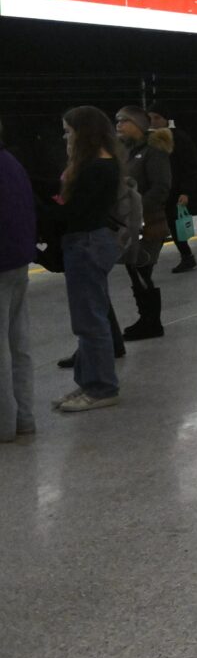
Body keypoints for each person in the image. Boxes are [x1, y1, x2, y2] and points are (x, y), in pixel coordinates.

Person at [41, 107, 125, 413]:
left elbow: (73, 212)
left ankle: (102, 388)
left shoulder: (96, 168)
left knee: (90, 321)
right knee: (88, 318)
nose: (66, 138)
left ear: (83, 133)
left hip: (86, 244)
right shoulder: (102, 163)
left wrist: (36, 208)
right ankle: (89, 382)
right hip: (90, 242)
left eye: (69, 131)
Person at [115, 107, 172, 342]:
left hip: (149, 223)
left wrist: (136, 209)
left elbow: (161, 187)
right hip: (132, 224)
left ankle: (152, 322)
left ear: (138, 124)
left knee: (141, 270)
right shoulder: (128, 151)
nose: (118, 125)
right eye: (117, 121)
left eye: (124, 121)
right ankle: (146, 319)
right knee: (135, 270)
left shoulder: (153, 152)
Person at [1, 117, 36, 440]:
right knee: (18, 342)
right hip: (17, 261)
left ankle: (3, 424)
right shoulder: (12, 163)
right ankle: (24, 417)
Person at [146, 106, 197, 274]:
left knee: (172, 226)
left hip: (173, 191)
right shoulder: (149, 139)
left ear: (165, 119)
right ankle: (185, 257)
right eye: (150, 118)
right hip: (159, 191)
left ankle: (184, 256)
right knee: (161, 226)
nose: (153, 122)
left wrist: (185, 191)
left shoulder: (179, 138)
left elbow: (189, 166)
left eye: (157, 118)